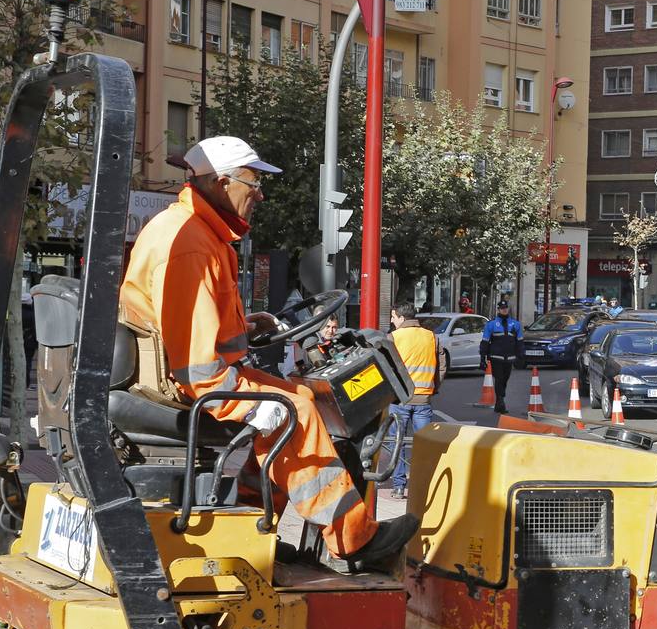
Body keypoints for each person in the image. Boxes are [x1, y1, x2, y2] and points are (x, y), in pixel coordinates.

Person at [120, 136, 417, 570]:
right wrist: (243, 404)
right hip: (186, 386)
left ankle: (247, 523)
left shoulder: (199, 231)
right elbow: (196, 366)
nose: (259, 193)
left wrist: (245, 325)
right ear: (221, 182)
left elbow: (197, 326)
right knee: (295, 408)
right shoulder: (189, 243)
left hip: (179, 376)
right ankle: (354, 539)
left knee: (305, 399)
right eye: (252, 181)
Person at [388, 303, 445, 500]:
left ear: (402, 318)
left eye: (393, 317)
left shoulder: (393, 337)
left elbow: (386, 368)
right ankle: (423, 486)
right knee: (424, 444)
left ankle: (398, 487)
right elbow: (441, 366)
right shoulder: (431, 336)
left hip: (399, 400)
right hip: (423, 399)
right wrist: (433, 388)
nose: (391, 321)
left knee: (398, 443)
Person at [479, 299, 523, 415]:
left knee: (505, 379)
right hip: (496, 357)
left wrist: (521, 357)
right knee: (499, 379)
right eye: (502, 308)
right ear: (498, 309)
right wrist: (482, 358)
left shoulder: (516, 324)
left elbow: (520, 342)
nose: (504, 310)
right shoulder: (491, 324)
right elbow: (484, 342)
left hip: (509, 358)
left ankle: (499, 399)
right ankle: (500, 401)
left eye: (506, 308)